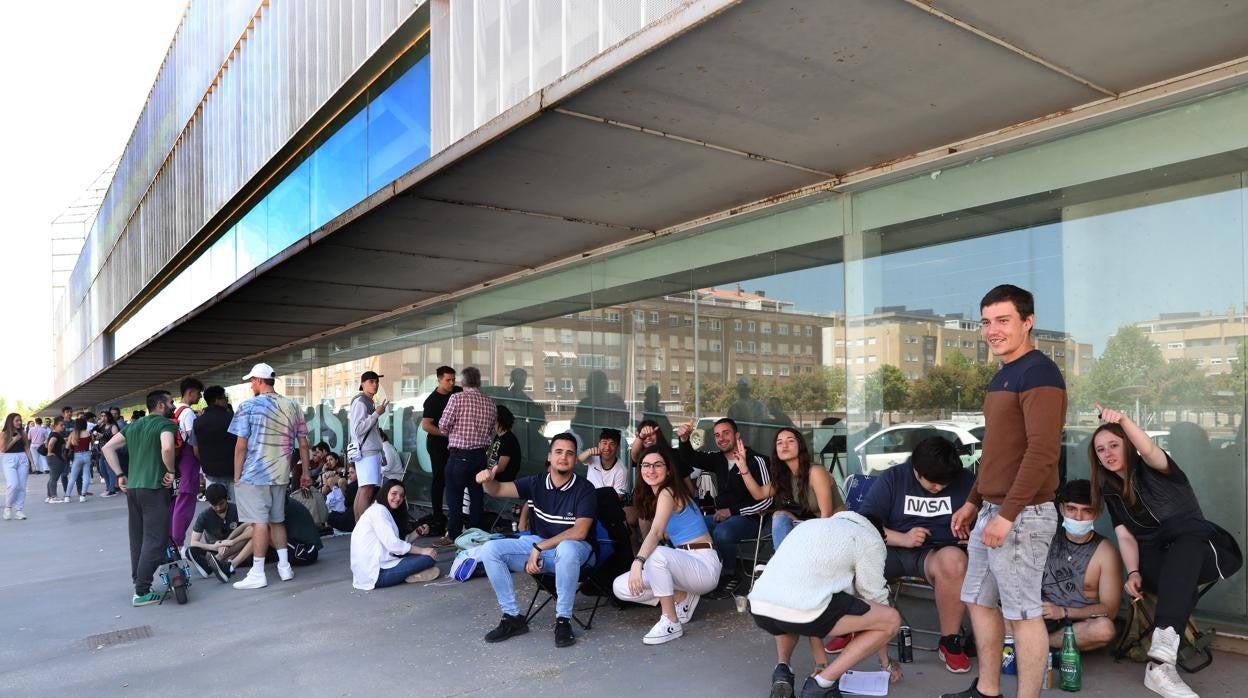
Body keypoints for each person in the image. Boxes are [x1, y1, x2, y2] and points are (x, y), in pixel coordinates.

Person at [945, 285, 1065, 698]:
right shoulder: (1003, 375)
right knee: (978, 599)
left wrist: (1007, 514)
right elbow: (997, 452)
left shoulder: (1040, 373)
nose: (992, 330)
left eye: (1003, 320)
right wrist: (974, 501)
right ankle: (988, 690)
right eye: (986, 322)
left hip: (1023, 514)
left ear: (1027, 322)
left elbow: (1043, 452)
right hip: (992, 510)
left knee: (1024, 614)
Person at [1090, 405, 1242, 698]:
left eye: (1114, 445)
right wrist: (1132, 572)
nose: (1107, 454)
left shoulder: (1159, 470)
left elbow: (1148, 449)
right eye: (1100, 450)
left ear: (1128, 446)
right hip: (1158, 564)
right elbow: (1126, 537)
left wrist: (1123, 420)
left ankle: (1162, 651)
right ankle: (1161, 666)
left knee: (1186, 545)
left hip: (1203, 552)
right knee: (1178, 573)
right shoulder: (1111, 492)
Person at [855, 436, 977, 673]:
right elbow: (864, 524)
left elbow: (989, 521)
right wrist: (903, 538)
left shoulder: (966, 481)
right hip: (890, 550)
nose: (939, 488)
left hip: (936, 553)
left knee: (955, 562)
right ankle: (850, 626)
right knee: (851, 560)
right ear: (916, 470)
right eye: (933, 483)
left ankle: (950, 641)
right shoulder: (894, 478)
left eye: (945, 484)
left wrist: (974, 533)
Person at [748, 511, 902, 698]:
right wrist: (885, 661)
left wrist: (820, 661)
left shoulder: (810, 526)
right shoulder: (870, 539)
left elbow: (813, 592)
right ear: (880, 534)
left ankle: (783, 669)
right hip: (804, 609)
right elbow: (876, 598)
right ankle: (822, 685)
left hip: (760, 605)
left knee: (791, 606)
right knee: (890, 620)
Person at [474, 433, 597, 648]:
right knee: (490, 549)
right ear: (549, 456)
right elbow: (498, 490)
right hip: (543, 548)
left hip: (577, 552)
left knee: (567, 549)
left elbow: (580, 532)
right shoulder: (536, 482)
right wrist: (488, 480)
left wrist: (539, 547)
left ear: (575, 459)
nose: (563, 457)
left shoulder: (584, 489)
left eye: (569, 453)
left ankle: (563, 620)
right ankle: (512, 617)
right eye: (558, 452)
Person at [613, 446, 720, 644]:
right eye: (646, 465)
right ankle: (682, 594)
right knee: (620, 587)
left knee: (657, 554)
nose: (651, 470)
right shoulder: (656, 497)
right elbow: (661, 533)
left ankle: (671, 621)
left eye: (657, 465)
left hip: (703, 565)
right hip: (685, 565)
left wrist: (637, 562)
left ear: (668, 470)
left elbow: (655, 534)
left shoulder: (668, 492)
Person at [228, 362, 311, 590]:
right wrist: (304, 472)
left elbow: (240, 445)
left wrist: (237, 475)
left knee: (259, 523)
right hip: (281, 473)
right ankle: (285, 568)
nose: (250, 385)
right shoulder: (292, 405)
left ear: (258, 380)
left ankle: (257, 572)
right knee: (277, 520)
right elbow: (303, 443)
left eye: (251, 381)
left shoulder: (248, 406)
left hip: (255, 474)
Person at [677, 417, 772, 599]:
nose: (721, 438)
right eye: (717, 435)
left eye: (726, 433)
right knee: (690, 525)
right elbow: (690, 457)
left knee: (722, 532)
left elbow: (767, 502)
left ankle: (729, 574)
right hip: (722, 517)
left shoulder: (757, 460)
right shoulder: (718, 459)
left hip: (752, 519)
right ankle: (697, 575)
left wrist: (732, 512)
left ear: (737, 435)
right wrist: (684, 439)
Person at [101, 391, 178, 606]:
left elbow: (107, 447)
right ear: (161, 405)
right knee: (156, 539)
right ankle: (142, 590)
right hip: (154, 487)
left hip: (133, 488)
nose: (173, 405)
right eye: (171, 402)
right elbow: (167, 447)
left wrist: (119, 474)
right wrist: (170, 470)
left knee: (138, 537)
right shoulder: (166, 425)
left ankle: (139, 582)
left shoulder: (134, 426)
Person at [1040, 479, 1120, 652]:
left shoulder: (1106, 552)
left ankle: (1040, 643)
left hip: (1077, 624)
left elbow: (1110, 610)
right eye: (1071, 509)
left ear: (1097, 513)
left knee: (1105, 629)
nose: (1078, 517)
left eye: (1086, 511)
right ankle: (1039, 641)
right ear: (1061, 509)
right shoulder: (1045, 537)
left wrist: (1063, 612)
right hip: (1039, 616)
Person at [742, 427, 840, 549]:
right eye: (780, 442)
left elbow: (827, 515)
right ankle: (783, 561)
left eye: (790, 441)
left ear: (800, 445)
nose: (784, 445)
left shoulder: (815, 472)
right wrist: (743, 468)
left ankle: (785, 563)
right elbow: (759, 493)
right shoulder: (787, 477)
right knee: (779, 515)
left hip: (837, 527)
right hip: (815, 525)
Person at [438, 366, 496, 544]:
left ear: (463, 382)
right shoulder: (490, 402)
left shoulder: (456, 398)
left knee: (454, 496)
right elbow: (492, 430)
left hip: (459, 455)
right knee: (476, 496)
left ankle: (454, 534)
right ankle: (474, 533)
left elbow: (443, 425)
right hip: (480, 456)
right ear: (478, 382)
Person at [351, 479, 440, 590]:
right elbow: (394, 545)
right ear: (385, 493)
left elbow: (398, 544)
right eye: (394, 494)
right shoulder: (378, 511)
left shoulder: (382, 510)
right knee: (428, 558)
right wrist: (423, 551)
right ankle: (411, 573)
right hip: (377, 574)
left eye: (402, 496)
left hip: (375, 567)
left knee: (426, 555)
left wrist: (417, 532)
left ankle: (412, 573)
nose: (398, 498)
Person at [185, 483, 253, 583]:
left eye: (221, 503)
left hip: (238, 548)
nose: (218, 508)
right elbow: (194, 542)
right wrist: (214, 547)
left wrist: (229, 541)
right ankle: (216, 562)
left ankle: (213, 564)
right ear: (209, 503)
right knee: (190, 551)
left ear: (227, 498)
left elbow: (249, 526)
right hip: (215, 549)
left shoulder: (236, 509)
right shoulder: (204, 516)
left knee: (253, 531)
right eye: (214, 505)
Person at [421, 366, 459, 524]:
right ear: (439, 380)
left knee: (457, 477)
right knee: (440, 478)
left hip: (457, 444)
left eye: (453, 379)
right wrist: (447, 434)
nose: (451, 383)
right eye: (447, 380)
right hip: (438, 445)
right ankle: (438, 514)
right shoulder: (432, 400)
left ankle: (458, 511)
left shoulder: (458, 392)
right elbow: (426, 425)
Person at [349, 370, 388, 521]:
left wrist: (382, 452)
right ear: (362, 384)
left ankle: (359, 526)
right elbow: (358, 429)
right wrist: (376, 414)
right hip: (367, 451)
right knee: (366, 490)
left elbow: (371, 431)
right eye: (371, 382)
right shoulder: (361, 401)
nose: (375, 384)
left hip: (368, 451)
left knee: (364, 489)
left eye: (376, 381)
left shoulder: (366, 401)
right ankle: (363, 526)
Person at [170, 377, 204, 549]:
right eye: (198, 393)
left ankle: (172, 541)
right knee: (185, 504)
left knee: (176, 503)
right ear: (190, 392)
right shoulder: (188, 413)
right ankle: (178, 543)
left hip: (175, 461)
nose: (199, 397)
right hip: (188, 461)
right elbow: (194, 442)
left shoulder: (173, 410)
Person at [194, 385, 237, 499]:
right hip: (234, 473)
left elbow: (196, 451)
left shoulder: (198, 422)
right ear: (217, 400)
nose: (226, 400)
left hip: (211, 474)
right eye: (224, 398)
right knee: (237, 510)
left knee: (217, 508)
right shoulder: (233, 418)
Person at [1, 413, 34, 520]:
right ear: (11, 421)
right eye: (17, 420)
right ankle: (8, 507)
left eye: (20, 420)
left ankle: (19, 510)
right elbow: (3, 449)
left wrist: (32, 463)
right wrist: (14, 440)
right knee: (13, 484)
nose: (19, 422)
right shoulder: (4, 433)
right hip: (9, 459)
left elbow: (27, 448)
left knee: (22, 486)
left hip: (22, 458)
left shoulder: (23, 433)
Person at [581, 428, 628, 499]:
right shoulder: (593, 457)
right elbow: (577, 460)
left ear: (618, 447)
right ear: (599, 444)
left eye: (612, 444)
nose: (607, 447)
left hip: (606, 505)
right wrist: (588, 452)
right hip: (587, 497)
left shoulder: (621, 470)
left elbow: (619, 495)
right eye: (604, 443)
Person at [487, 405, 521, 482]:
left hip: (503, 481)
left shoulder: (508, 440)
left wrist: (486, 472)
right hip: (494, 476)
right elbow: (493, 456)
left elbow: (501, 467)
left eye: (494, 419)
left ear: (500, 420)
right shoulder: (498, 436)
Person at [64, 417, 93, 502]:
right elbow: (92, 443)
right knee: (86, 476)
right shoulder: (88, 433)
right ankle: (83, 496)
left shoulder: (73, 434)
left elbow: (67, 446)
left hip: (77, 456)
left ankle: (67, 497)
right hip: (87, 455)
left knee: (73, 477)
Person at [93, 412, 122, 497]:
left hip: (111, 450)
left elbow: (116, 438)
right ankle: (108, 487)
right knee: (102, 469)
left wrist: (103, 436)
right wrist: (98, 425)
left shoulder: (113, 426)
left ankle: (112, 489)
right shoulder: (101, 426)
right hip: (102, 450)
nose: (103, 418)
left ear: (109, 417)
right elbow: (93, 431)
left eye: (105, 416)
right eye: (101, 416)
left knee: (110, 470)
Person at [44, 417, 69, 504]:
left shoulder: (54, 434)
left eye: (64, 425)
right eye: (61, 425)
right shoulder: (55, 435)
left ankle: (49, 496)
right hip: (55, 458)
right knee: (54, 478)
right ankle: (53, 497)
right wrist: (50, 452)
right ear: (55, 426)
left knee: (52, 478)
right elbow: (51, 443)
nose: (63, 427)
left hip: (53, 458)